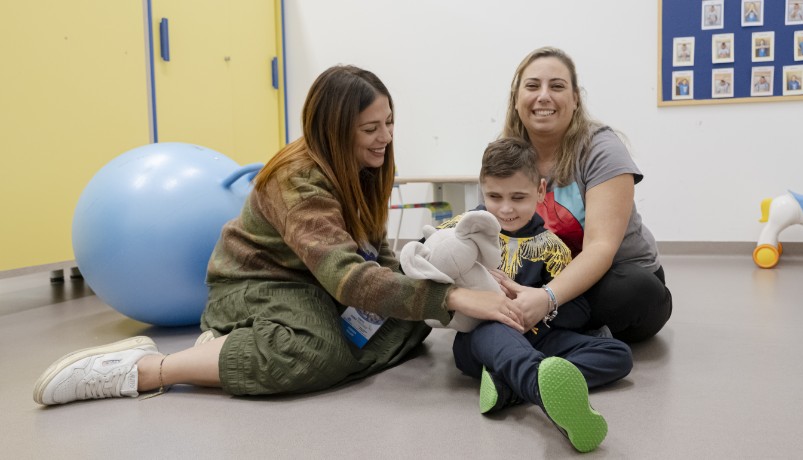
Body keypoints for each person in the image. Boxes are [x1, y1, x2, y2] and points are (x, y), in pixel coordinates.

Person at [32, 65, 527, 406]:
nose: (386, 137)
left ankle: (241, 351)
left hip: (316, 283)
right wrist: (452, 296)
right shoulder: (298, 180)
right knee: (319, 351)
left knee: (410, 323)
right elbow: (350, 278)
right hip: (259, 285)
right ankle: (147, 370)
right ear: (335, 130)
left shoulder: (363, 167)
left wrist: (466, 281)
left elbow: (375, 256)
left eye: (389, 122)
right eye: (371, 128)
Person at [445, 138, 633, 453]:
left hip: (539, 336)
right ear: (482, 190)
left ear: (540, 191)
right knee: (493, 332)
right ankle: (538, 386)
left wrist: (538, 303)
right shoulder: (463, 234)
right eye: (494, 196)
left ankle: (509, 388)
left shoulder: (553, 247)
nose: (505, 208)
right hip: (483, 337)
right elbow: (431, 268)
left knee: (619, 356)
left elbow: (579, 311)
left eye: (518, 197)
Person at [500, 47, 672, 343]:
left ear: (575, 99)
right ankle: (558, 331)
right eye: (532, 86)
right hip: (545, 277)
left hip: (613, 276)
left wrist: (546, 298)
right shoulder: (506, 155)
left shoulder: (601, 149)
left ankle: (535, 328)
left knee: (636, 292)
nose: (543, 96)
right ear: (517, 99)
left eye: (557, 86)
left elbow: (601, 248)